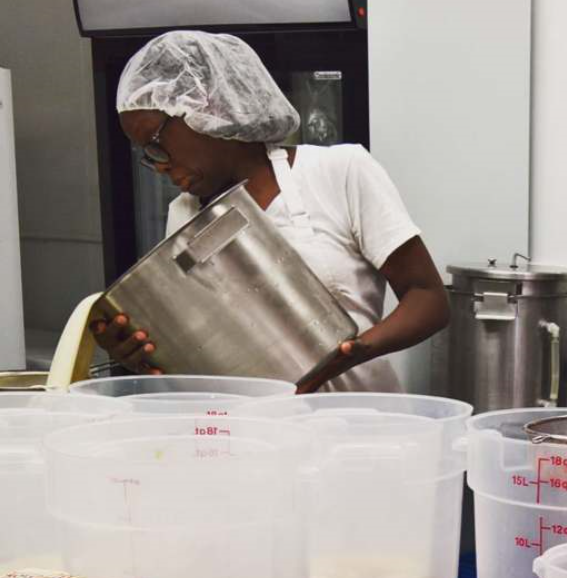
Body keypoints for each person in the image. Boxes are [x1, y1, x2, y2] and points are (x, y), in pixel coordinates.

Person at [93, 31, 449, 392]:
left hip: (357, 429)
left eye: (156, 145)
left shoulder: (339, 171)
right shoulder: (184, 215)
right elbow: (206, 353)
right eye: (146, 155)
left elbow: (429, 299)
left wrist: (353, 352)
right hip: (252, 433)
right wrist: (143, 354)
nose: (158, 166)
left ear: (208, 107)